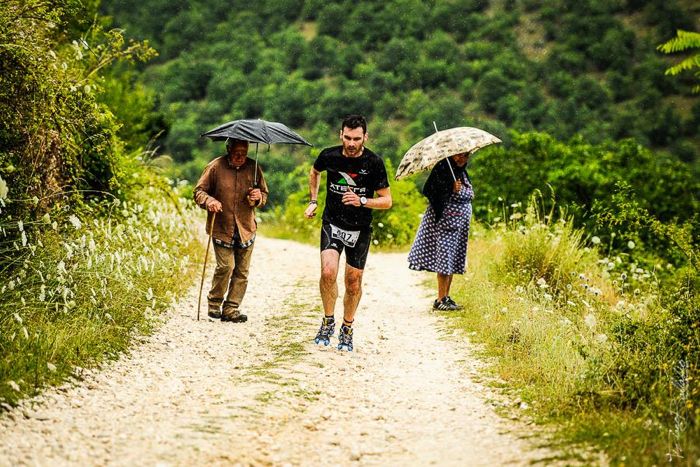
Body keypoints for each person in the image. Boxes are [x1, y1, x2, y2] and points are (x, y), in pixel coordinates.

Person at [304, 115, 392, 351]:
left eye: (356, 138)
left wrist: (362, 200)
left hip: (360, 228)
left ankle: (347, 327)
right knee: (328, 272)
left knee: (353, 282)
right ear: (340, 135)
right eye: (347, 138)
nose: (351, 143)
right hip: (332, 222)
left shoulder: (374, 162)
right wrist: (313, 200)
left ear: (365, 137)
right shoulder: (329, 155)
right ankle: (328, 320)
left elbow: (387, 201)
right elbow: (314, 172)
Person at [194, 138, 268, 322]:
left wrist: (258, 197)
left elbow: (264, 195)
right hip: (221, 227)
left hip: (246, 228)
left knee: (242, 272)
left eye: (243, 153)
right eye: (236, 153)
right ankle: (214, 304)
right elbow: (198, 192)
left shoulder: (254, 167)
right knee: (226, 267)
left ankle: (231, 309)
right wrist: (209, 201)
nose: (240, 157)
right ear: (228, 149)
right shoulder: (215, 167)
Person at [407, 153, 473, 311]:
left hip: (458, 226)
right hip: (445, 224)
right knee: (444, 260)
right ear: (452, 154)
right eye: (459, 156)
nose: (461, 159)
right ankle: (440, 298)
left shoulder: (460, 171)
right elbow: (430, 190)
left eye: (465, 156)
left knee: (451, 260)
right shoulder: (443, 168)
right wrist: (450, 188)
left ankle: (446, 297)